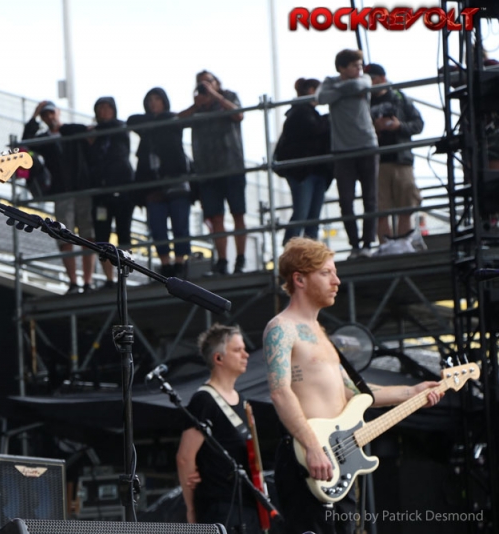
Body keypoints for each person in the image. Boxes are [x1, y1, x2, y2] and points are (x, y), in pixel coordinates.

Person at [263, 237, 443, 534]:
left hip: (337, 460)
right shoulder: (281, 328)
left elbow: (353, 392)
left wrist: (411, 392)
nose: (336, 281)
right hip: (307, 457)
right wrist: (312, 447)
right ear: (300, 279)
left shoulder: (320, 332)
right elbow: (280, 392)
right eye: (326, 273)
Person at [176, 323, 262, 534]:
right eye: (237, 350)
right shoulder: (204, 400)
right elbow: (185, 458)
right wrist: (191, 510)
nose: (246, 355)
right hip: (220, 507)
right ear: (218, 358)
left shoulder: (243, 400)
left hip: (249, 504)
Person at [22, 100, 95, 293]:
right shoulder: (44, 139)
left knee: (89, 235)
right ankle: (74, 282)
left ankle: (88, 282)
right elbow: (24, 144)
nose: (49, 117)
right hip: (61, 192)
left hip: (82, 190)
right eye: (45, 115)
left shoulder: (72, 130)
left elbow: (91, 135)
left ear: (58, 112)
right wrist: (34, 116)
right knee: (64, 237)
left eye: (51, 113)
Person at [179, 71, 247, 275]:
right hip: (207, 171)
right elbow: (176, 122)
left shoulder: (228, 97)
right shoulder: (198, 106)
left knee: (238, 213)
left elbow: (238, 114)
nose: (204, 86)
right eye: (200, 83)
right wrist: (196, 105)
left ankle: (241, 259)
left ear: (217, 83)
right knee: (216, 217)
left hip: (232, 166)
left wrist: (216, 97)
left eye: (208, 82)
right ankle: (222, 260)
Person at [317, 49, 379, 259]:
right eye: (354, 66)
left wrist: (338, 91)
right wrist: (345, 89)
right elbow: (321, 97)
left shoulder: (363, 79)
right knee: (346, 200)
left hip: (367, 145)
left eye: (360, 65)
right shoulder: (329, 82)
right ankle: (354, 245)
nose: (359, 70)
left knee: (370, 197)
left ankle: (368, 243)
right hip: (342, 149)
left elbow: (361, 85)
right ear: (341, 68)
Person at [128, 88, 192, 277]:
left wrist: (165, 119)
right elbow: (131, 120)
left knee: (180, 225)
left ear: (164, 101)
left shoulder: (173, 121)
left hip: (177, 181)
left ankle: (180, 263)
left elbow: (184, 119)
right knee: (157, 227)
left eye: (157, 99)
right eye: (150, 100)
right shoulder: (145, 124)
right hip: (153, 184)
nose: (153, 103)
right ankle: (166, 265)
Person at [364, 63, 425, 245]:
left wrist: (399, 126)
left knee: (406, 206)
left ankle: (403, 245)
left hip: (401, 160)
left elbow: (418, 124)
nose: (369, 83)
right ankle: (387, 248)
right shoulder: (363, 101)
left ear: (382, 79)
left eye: (372, 79)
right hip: (376, 162)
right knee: (380, 209)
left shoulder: (399, 98)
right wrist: (374, 129)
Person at [274, 78, 333, 245]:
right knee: (304, 214)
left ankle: (302, 251)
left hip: (310, 171)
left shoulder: (301, 112)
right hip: (306, 171)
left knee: (308, 215)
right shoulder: (302, 113)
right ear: (311, 90)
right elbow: (314, 130)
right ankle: (295, 250)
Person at [87, 96, 135, 289]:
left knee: (124, 234)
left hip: (123, 192)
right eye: (100, 108)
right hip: (101, 194)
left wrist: (95, 131)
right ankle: (109, 279)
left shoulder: (119, 128)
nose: (104, 111)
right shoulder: (94, 136)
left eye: (107, 108)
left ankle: (125, 276)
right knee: (101, 237)